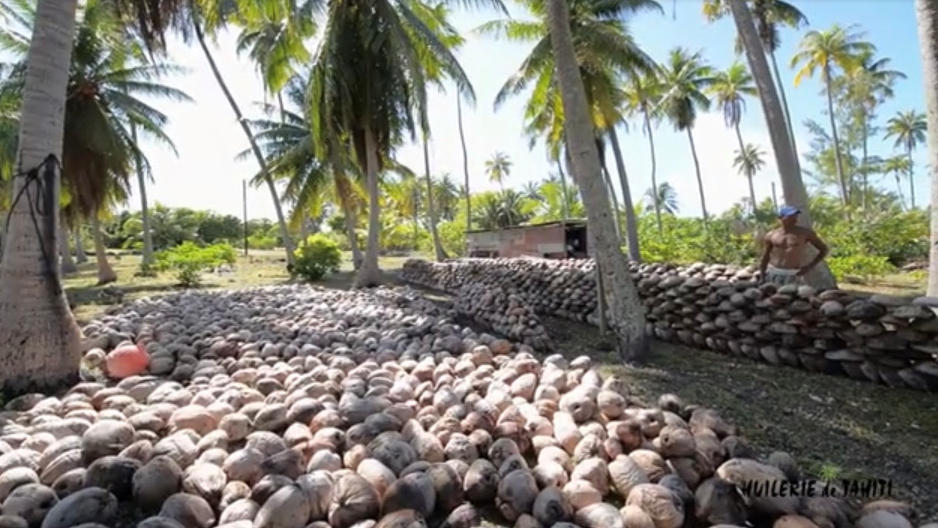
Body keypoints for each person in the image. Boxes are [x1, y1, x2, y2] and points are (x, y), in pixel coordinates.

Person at [758, 205, 829, 285]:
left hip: (793, 274)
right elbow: (765, 257)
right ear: (781, 217)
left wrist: (809, 267)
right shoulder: (771, 235)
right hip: (773, 272)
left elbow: (824, 249)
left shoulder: (805, 233)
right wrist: (762, 276)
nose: (794, 219)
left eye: (795, 216)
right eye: (790, 216)